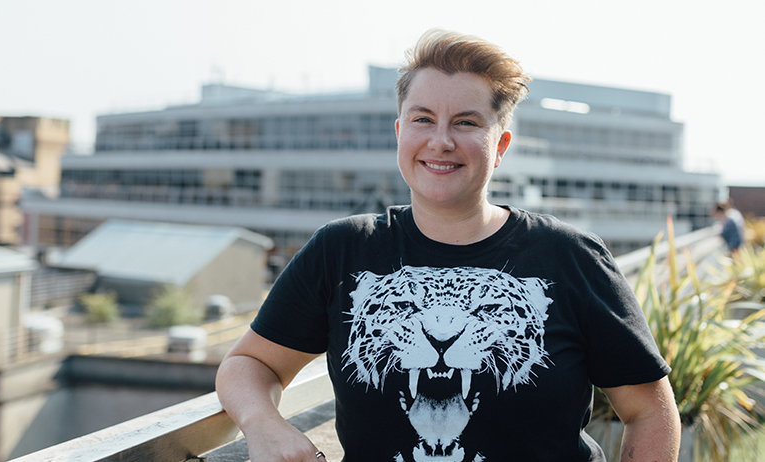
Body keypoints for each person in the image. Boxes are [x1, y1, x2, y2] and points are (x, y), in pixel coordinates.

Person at [216, 29, 681, 461]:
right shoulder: (342, 250)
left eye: (466, 122)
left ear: (500, 146)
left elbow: (649, 411)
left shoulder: (569, 256)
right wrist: (262, 424)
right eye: (422, 119)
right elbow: (248, 363)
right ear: (400, 133)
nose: (440, 141)